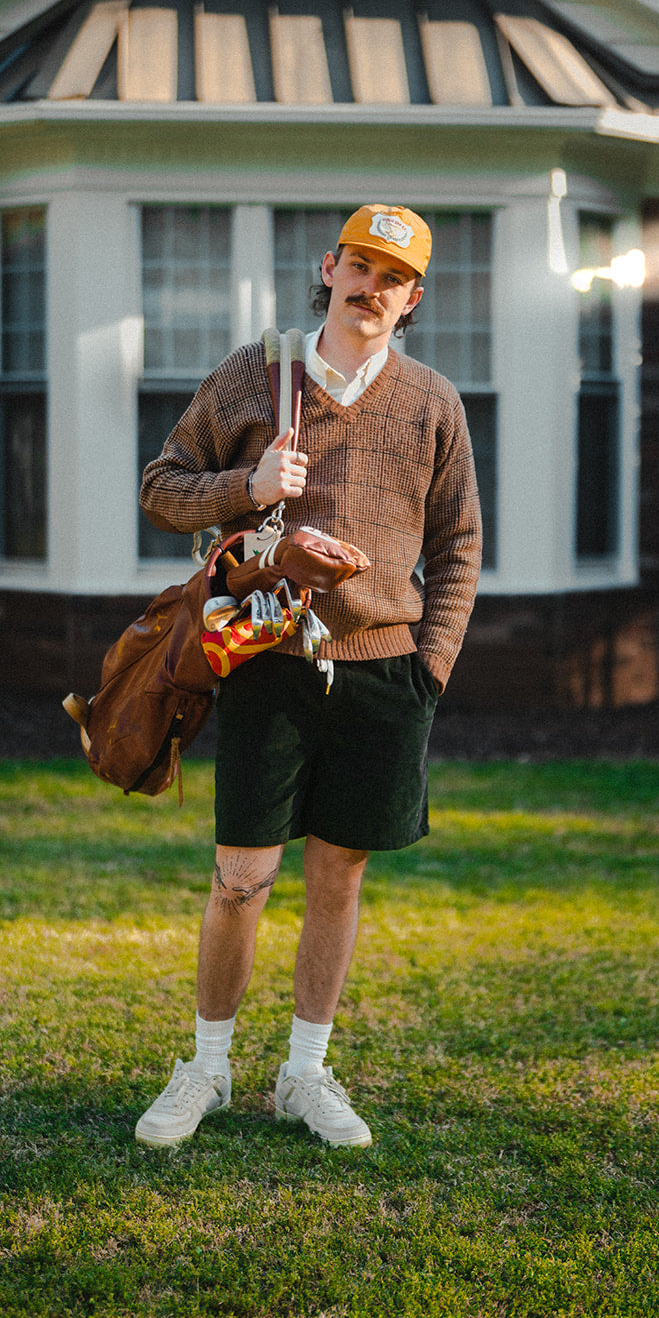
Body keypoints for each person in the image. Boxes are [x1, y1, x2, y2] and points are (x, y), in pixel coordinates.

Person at [135, 204, 481, 1149]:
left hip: (383, 672)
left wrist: (432, 665)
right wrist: (245, 491)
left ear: (412, 299)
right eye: (358, 267)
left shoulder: (430, 402)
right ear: (328, 269)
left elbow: (457, 543)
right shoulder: (255, 377)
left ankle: (304, 1073)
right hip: (267, 663)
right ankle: (205, 1068)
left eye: (392, 277)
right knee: (241, 880)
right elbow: (159, 487)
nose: (371, 288)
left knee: (337, 879)